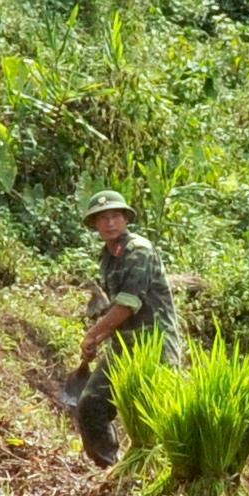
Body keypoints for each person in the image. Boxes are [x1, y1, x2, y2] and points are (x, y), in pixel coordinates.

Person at [70, 190, 182, 468]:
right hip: (126, 344)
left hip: (155, 344)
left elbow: (128, 304)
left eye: (115, 216)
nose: (110, 223)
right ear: (95, 224)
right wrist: (99, 338)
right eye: (103, 218)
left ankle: (163, 471)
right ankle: (110, 467)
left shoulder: (139, 250)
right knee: (91, 404)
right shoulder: (108, 257)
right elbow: (117, 309)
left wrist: (93, 333)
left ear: (125, 219)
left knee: (155, 413)